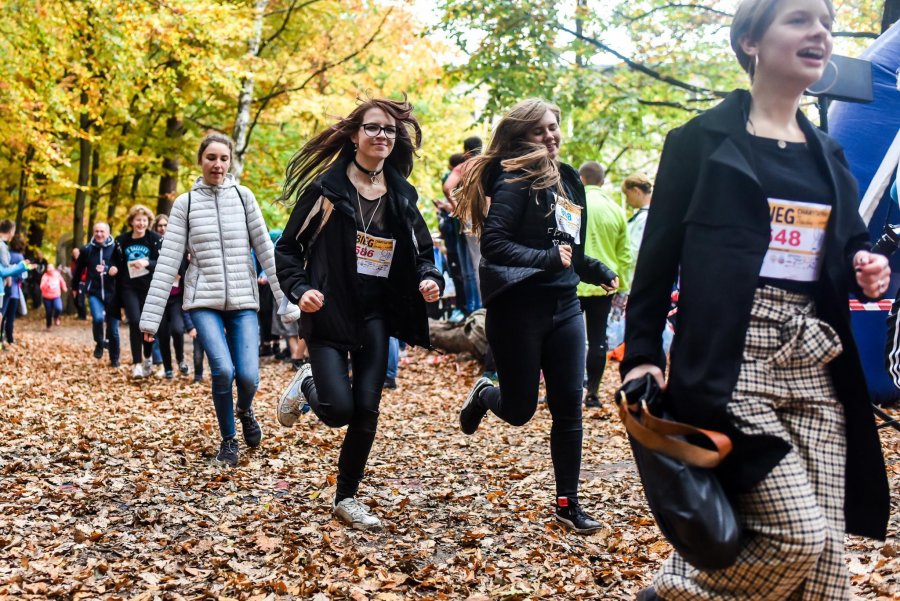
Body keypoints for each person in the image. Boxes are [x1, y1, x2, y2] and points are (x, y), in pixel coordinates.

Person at [622, 0, 891, 598]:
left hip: (816, 363)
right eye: (799, 19)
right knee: (797, 537)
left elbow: (845, 249)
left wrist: (866, 267)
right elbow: (656, 259)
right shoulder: (699, 141)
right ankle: (671, 593)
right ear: (750, 42)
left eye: (824, 21)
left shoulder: (831, 153)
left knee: (827, 572)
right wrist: (642, 351)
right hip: (729, 361)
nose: (819, 31)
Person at [274, 97, 442, 530]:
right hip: (331, 310)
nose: (382, 136)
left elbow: (424, 250)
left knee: (367, 410)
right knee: (337, 411)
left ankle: (346, 498)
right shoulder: (326, 192)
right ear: (354, 135)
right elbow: (288, 248)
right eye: (373, 128)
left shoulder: (401, 196)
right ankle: (308, 380)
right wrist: (301, 288)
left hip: (377, 313)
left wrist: (428, 277)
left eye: (389, 130)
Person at [453, 99, 618, 534]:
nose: (552, 135)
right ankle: (484, 395)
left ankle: (568, 503)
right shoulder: (513, 182)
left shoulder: (567, 181)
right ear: (521, 137)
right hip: (517, 310)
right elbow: (495, 245)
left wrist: (595, 269)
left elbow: (571, 250)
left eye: (555, 127)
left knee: (569, 408)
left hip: (565, 308)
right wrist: (548, 259)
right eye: (541, 129)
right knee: (520, 409)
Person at [140, 133, 299, 467]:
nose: (217, 164)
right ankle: (229, 440)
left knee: (249, 377)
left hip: (243, 301)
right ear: (201, 160)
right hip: (203, 301)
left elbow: (266, 252)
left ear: (230, 162)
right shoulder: (185, 204)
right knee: (223, 371)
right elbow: (169, 261)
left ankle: (244, 409)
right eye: (211, 157)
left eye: (223, 158)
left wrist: (286, 300)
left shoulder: (244, 198)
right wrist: (150, 319)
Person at [576, 161, 633, 408]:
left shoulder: (572, 203)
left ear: (582, 178)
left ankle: (565, 389)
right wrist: (623, 287)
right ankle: (593, 395)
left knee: (566, 337)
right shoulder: (615, 209)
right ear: (601, 181)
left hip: (572, 283)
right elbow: (625, 256)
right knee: (598, 338)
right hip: (604, 285)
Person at [114, 204, 162, 379]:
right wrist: (112, 269)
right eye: (138, 220)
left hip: (149, 287)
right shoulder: (122, 240)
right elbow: (114, 261)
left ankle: (148, 357)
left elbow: (163, 263)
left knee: (147, 326)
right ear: (132, 222)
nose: (141, 223)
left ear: (148, 222)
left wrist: (147, 262)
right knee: (134, 321)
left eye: (144, 220)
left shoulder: (155, 239)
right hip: (129, 287)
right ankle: (136, 364)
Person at [74, 222, 120, 366]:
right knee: (98, 319)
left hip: (113, 293)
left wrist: (111, 269)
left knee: (113, 330)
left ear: (108, 233)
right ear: (93, 233)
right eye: (96, 231)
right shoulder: (87, 249)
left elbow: (122, 267)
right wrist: (74, 287)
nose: (99, 234)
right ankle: (100, 342)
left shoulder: (116, 248)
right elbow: (79, 270)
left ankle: (114, 359)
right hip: (94, 292)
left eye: (102, 231)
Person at [150, 213, 189, 379]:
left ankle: (180, 359)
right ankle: (167, 367)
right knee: (163, 334)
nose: (163, 228)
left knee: (178, 329)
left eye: (165, 225)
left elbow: (186, 267)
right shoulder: (152, 246)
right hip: (159, 297)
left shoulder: (179, 245)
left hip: (176, 297)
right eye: (159, 226)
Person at [622, 173, 652, 261]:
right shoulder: (643, 215)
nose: (627, 201)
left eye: (627, 195)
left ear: (636, 191)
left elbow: (634, 252)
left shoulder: (645, 218)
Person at [2, 237, 26, 344]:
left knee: (2, 315)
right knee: (10, 317)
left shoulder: (7, 254)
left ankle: (1, 338)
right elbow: (22, 275)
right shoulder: (20, 257)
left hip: (4, 288)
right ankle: (10, 339)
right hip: (14, 290)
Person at [40, 263, 67, 329]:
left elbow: (62, 281)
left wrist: (64, 287)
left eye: (51, 268)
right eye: (48, 268)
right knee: (49, 312)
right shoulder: (45, 276)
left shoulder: (57, 274)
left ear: (53, 269)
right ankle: (48, 325)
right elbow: (41, 287)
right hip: (47, 297)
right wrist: (46, 284)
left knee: (59, 308)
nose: (50, 270)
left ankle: (56, 317)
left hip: (56, 296)